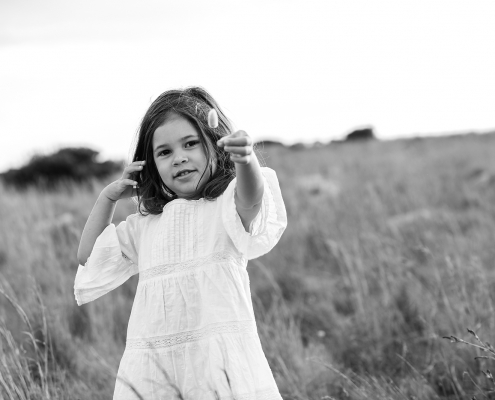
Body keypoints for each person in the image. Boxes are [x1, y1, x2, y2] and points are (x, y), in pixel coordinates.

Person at [74, 87, 287, 400]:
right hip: (156, 365)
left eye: (190, 144)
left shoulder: (225, 207)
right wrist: (107, 198)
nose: (180, 158)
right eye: (165, 152)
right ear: (150, 165)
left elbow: (252, 198)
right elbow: (87, 255)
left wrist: (246, 160)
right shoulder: (146, 226)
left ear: (216, 148)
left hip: (218, 358)